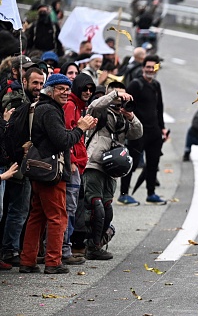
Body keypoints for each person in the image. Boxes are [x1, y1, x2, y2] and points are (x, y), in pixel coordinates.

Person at [18, 73, 97, 275]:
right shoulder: (51, 111)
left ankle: (28, 260)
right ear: (50, 90)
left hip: (39, 169)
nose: (65, 92)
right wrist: (80, 128)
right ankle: (53, 261)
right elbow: (62, 141)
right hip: (51, 172)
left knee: (37, 215)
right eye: (60, 88)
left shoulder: (43, 107)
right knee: (57, 217)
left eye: (67, 88)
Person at [84, 82, 141, 259]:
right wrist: (114, 95)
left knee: (107, 209)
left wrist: (131, 116)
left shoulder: (123, 117)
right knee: (96, 206)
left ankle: (96, 244)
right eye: (118, 97)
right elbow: (93, 106)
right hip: (95, 163)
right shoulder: (101, 112)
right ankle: (88, 245)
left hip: (113, 168)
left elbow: (137, 133)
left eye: (124, 97)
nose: (120, 101)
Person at [0, 67, 45, 267]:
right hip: (14, 163)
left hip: (22, 163)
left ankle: (13, 248)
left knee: (18, 209)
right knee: (16, 209)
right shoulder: (16, 102)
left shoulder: (36, 102)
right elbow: (10, 134)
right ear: (24, 82)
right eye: (34, 83)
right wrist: (19, 152)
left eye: (41, 83)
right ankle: (9, 250)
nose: (38, 87)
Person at [119, 55, 167, 206]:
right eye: (147, 67)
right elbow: (126, 105)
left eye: (153, 67)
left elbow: (159, 108)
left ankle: (151, 194)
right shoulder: (135, 84)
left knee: (153, 164)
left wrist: (163, 128)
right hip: (138, 132)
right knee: (131, 163)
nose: (150, 70)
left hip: (155, 131)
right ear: (142, 68)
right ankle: (124, 194)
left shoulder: (156, 85)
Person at [61, 73, 97, 265]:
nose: (88, 92)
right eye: (85, 88)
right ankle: (64, 250)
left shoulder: (79, 107)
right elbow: (66, 135)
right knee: (68, 209)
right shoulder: (70, 106)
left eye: (91, 89)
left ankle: (62, 248)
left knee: (71, 209)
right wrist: (72, 160)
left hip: (78, 165)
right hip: (72, 166)